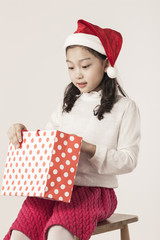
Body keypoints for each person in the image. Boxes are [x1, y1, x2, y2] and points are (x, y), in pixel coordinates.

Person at [4, 19, 141, 240]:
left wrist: (89, 149)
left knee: (58, 232)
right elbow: (49, 144)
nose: (77, 74)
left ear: (106, 64)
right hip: (54, 188)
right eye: (70, 67)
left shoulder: (124, 107)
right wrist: (25, 135)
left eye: (85, 66)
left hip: (96, 192)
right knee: (21, 232)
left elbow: (129, 160)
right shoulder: (68, 104)